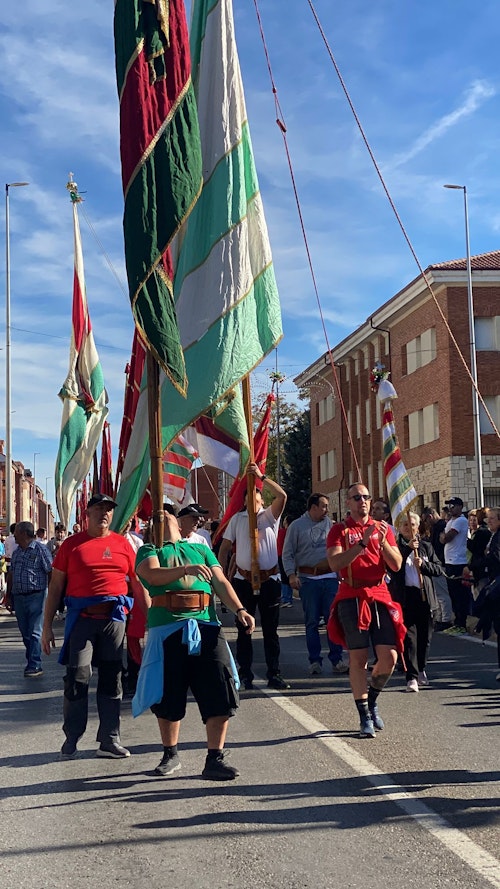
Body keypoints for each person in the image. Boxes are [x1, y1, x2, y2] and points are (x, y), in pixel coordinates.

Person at [133, 509, 256, 779]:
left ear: (179, 524)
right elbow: (152, 576)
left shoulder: (201, 550)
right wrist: (186, 569)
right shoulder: (149, 550)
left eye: (168, 513)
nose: (162, 515)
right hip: (167, 628)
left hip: (206, 625)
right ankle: (170, 754)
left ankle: (215, 758)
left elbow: (220, 581)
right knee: (168, 693)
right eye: (157, 515)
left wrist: (240, 609)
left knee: (220, 688)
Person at [41, 494, 138, 760]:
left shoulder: (123, 544)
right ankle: (72, 737)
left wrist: (149, 618)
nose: (104, 513)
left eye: (108, 509)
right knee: (77, 677)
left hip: (113, 620)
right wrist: (46, 627)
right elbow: (55, 587)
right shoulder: (71, 545)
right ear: (87, 513)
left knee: (112, 678)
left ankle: (109, 739)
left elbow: (137, 582)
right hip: (82, 620)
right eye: (98, 508)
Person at [326, 483, 404, 738]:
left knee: (389, 657)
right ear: (348, 502)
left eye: (366, 497)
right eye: (357, 497)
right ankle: (364, 716)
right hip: (352, 596)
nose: (362, 501)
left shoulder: (383, 529)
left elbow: (396, 565)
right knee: (358, 659)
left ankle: (372, 700)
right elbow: (335, 563)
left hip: (379, 594)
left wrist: (381, 543)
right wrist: (361, 543)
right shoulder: (339, 530)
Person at [218, 463, 290, 691]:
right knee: (243, 629)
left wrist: (261, 477)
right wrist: (222, 575)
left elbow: (282, 496)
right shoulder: (237, 519)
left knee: (270, 631)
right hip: (243, 581)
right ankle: (245, 674)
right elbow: (225, 547)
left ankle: (274, 673)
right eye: (249, 498)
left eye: (257, 499)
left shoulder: (269, 516)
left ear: (261, 501)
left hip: (269, 581)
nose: (253, 502)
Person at [282, 493, 348, 676]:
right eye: (324, 506)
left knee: (333, 620)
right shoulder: (296, 526)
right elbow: (287, 553)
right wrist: (291, 575)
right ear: (313, 507)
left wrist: (341, 574)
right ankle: (314, 661)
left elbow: (340, 550)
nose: (327, 510)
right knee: (312, 622)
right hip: (308, 580)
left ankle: (337, 659)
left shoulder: (330, 525)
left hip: (330, 579)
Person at [390, 513, 443, 692]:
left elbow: (438, 569)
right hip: (406, 598)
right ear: (399, 528)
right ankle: (411, 677)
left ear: (418, 527)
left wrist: (424, 565)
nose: (409, 528)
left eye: (412, 524)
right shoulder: (396, 548)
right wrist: (407, 551)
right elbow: (393, 570)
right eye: (405, 524)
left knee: (424, 639)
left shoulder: (426, 547)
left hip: (425, 597)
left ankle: (421, 669)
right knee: (409, 639)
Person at [5, 521, 52, 677]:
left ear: (24, 534)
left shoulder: (40, 550)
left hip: (37, 596)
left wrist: (51, 594)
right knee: (25, 632)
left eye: (16, 534)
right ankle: (31, 660)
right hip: (19, 597)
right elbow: (11, 573)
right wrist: (8, 595)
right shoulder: (17, 552)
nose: (14, 537)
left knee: (34, 632)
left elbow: (50, 571)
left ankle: (35, 664)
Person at [473, 507, 500, 680]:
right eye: (488, 518)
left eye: (492, 518)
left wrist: (477, 564)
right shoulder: (493, 535)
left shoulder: (498, 538)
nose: (488, 521)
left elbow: (495, 557)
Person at [440, 496, 469, 634]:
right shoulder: (451, 521)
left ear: (460, 507)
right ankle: (457, 621)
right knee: (453, 594)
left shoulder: (461, 521)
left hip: (458, 562)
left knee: (459, 595)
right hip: (450, 561)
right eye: (449, 506)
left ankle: (461, 624)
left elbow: (446, 537)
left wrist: (443, 536)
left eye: (453, 506)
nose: (450, 509)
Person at [420, 507, 453, 630]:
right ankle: (439, 618)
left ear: (430, 516)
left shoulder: (441, 526)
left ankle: (446, 619)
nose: (426, 523)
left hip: (440, 564)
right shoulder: (436, 527)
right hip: (435, 564)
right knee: (438, 594)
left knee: (442, 594)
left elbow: (438, 546)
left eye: (425, 520)